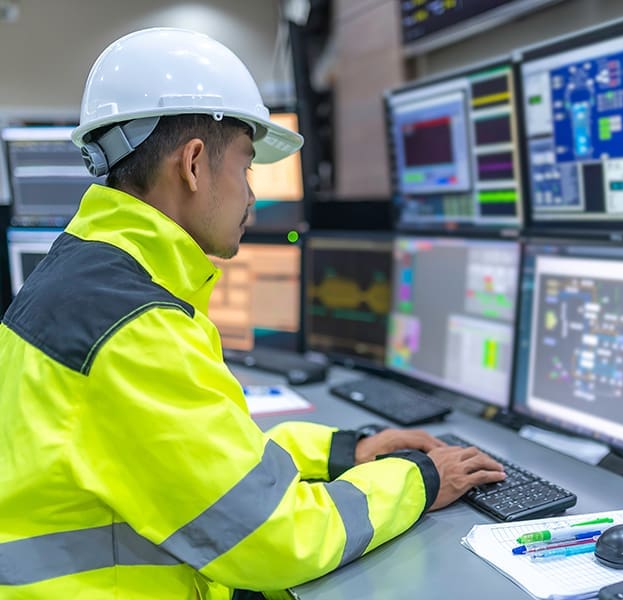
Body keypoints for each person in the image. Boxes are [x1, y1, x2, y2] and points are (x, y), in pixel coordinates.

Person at [0, 28, 505, 599]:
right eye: (245, 169)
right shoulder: (132, 326)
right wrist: (419, 477)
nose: (250, 197)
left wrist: (347, 451)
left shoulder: (85, 278)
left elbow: (199, 467)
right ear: (193, 165)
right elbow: (272, 539)